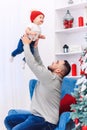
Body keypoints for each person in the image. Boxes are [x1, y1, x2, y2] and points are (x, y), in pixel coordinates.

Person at [4, 36, 71, 130]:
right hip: (36, 116)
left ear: (59, 70)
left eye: (56, 62)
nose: (53, 62)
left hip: (46, 121)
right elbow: (39, 63)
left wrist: (26, 45)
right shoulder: (51, 77)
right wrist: (35, 47)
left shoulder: (51, 78)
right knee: (9, 120)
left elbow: (32, 63)